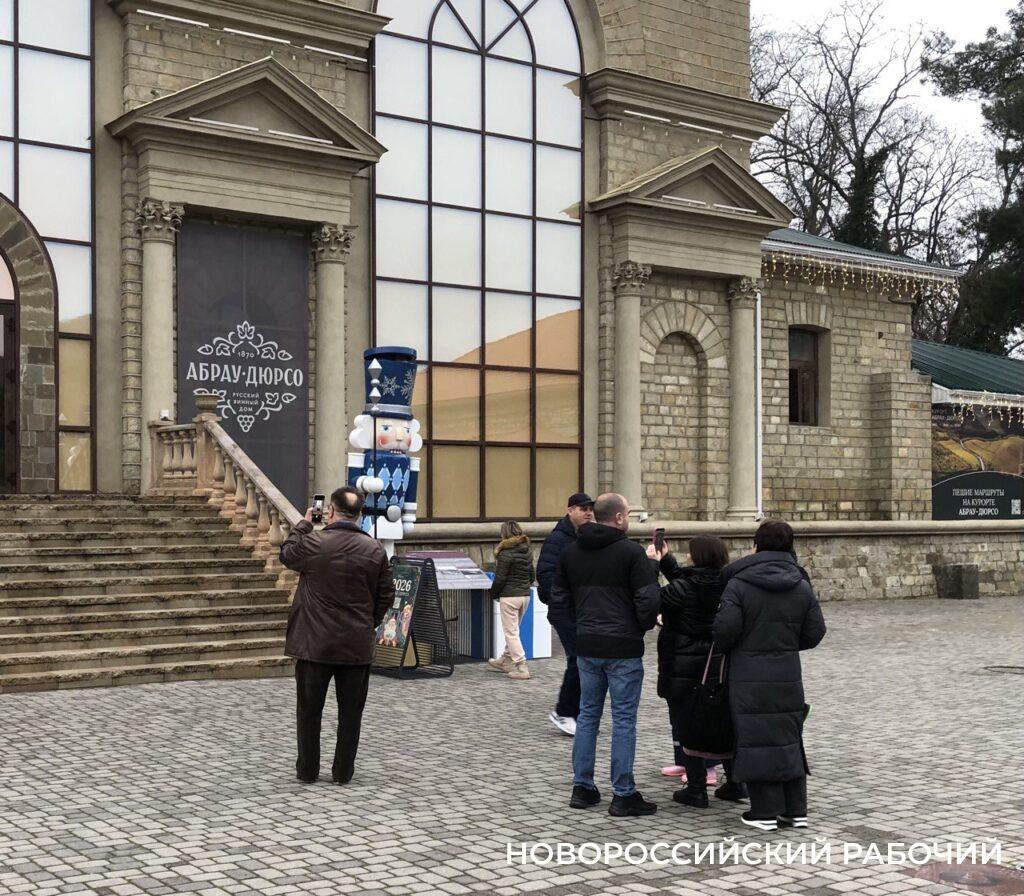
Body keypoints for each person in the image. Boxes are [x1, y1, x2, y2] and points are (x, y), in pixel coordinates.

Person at [550, 493, 661, 817]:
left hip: (588, 645)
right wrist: (640, 627)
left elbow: (558, 599)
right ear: (619, 517)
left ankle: (582, 787)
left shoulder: (571, 552)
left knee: (587, 715)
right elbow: (648, 600)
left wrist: (578, 629)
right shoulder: (631, 553)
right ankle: (623, 793)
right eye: (628, 513)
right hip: (623, 647)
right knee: (623, 720)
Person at [713, 519, 826, 831]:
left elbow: (724, 632)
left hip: (748, 674)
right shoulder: (801, 584)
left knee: (756, 738)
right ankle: (795, 810)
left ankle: (764, 812)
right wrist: (785, 645)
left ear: (755, 545)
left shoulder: (738, 584)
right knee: (788, 737)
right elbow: (815, 631)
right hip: (787, 672)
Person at [280, 486, 395, 785]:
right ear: (359, 514)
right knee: (351, 713)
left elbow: (287, 555)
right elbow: (386, 595)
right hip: (355, 644)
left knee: (309, 711)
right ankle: (343, 772)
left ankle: (307, 771)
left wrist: (304, 524)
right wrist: (368, 622)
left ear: (329, 511)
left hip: (314, 644)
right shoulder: (375, 549)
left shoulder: (314, 542)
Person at [649, 536, 747, 808]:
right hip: (718, 663)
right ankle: (735, 782)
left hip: (683, 664)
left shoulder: (683, 588)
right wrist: (667, 561)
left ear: (697, 557)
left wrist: (652, 566)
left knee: (686, 723)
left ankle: (696, 788)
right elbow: (691, 582)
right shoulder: (730, 585)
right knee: (724, 721)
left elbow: (653, 600)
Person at [536, 492, 595, 736]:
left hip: (582, 609)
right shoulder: (558, 538)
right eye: (583, 508)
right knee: (578, 658)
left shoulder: (588, 536)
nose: (588, 512)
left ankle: (578, 714)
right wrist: (564, 599)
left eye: (590, 509)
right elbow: (545, 574)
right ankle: (564, 711)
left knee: (584, 659)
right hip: (564, 611)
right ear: (570, 510)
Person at [487, 520, 536, 681]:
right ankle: (504, 661)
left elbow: (500, 578)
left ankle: (522, 667)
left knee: (511, 633)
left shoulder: (505, 553)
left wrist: (493, 594)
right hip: (525, 596)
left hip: (509, 596)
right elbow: (531, 575)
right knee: (514, 630)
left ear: (504, 534)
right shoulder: (527, 550)